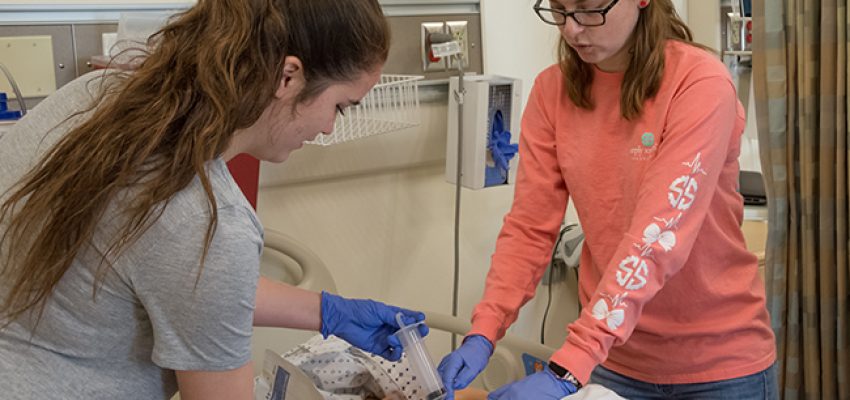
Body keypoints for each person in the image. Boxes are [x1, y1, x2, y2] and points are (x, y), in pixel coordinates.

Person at [0, 1, 428, 399]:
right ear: (288, 77)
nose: (330, 128)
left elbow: (174, 279)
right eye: (341, 107)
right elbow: (195, 264)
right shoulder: (205, 222)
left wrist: (329, 311)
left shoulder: (98, 97)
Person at [438, 0, 777, 399]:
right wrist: (485, 329)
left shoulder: (699, 83)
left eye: (588, 10)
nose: (571, 29)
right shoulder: (553, 92)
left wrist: (570, 367)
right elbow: (530, 229)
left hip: (719, 365)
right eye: (560, 11)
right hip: (615, 360)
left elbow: (656, 238)